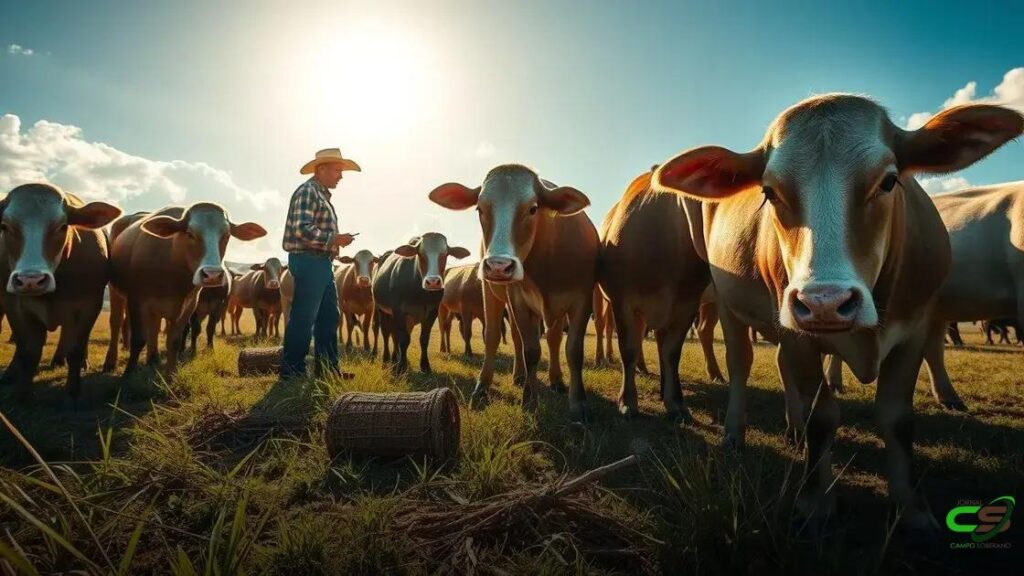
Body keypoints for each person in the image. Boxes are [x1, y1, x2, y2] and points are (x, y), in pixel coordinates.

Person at [279, 148, 360, 379]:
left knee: (329, 316)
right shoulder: (308, 192)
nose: (341, 176)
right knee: (304, 316)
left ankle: (327, 370)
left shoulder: (320, 195)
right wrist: (335, 239)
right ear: (321, 169)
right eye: (337, 170)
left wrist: (335, 242)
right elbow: (301, 229)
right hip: (309, 260)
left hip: (321, 262)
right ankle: (292, 370)